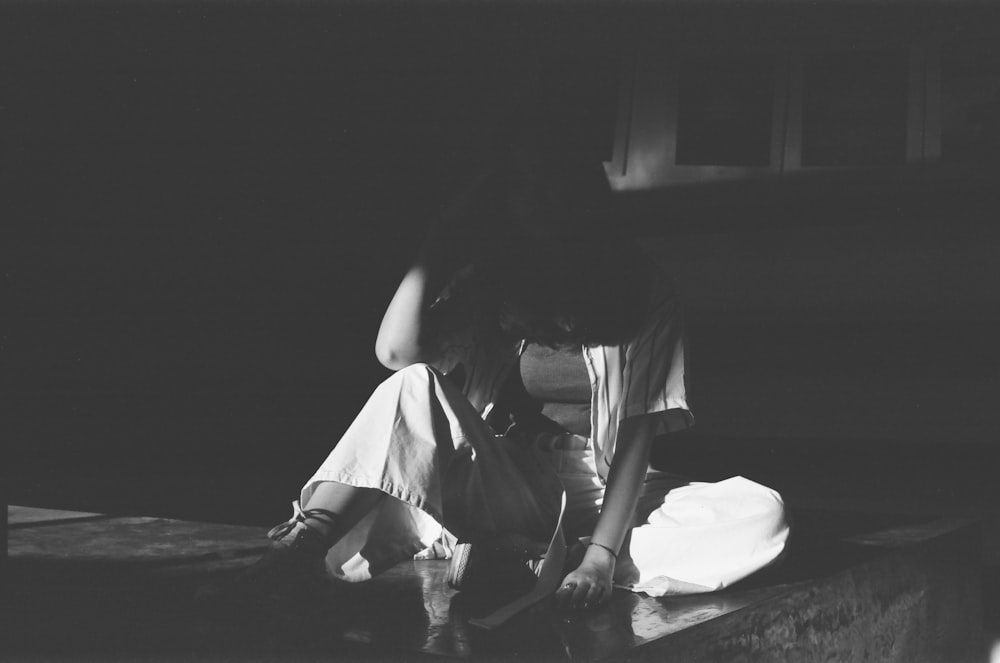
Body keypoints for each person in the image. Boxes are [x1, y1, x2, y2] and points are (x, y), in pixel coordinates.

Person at [239, 121, 789, 614]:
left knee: (762, 514)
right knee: (412, 385)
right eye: (524, 187)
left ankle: (532, 559)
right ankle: (304, 545)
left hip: (600, 484)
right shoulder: (493, 280)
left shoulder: (642, 290)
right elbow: (396, 354)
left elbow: (636, 438)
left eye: (554, 182)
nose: (541, 200)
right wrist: (440, 239)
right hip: (505, 473)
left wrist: (599, 556)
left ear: (583, 191)